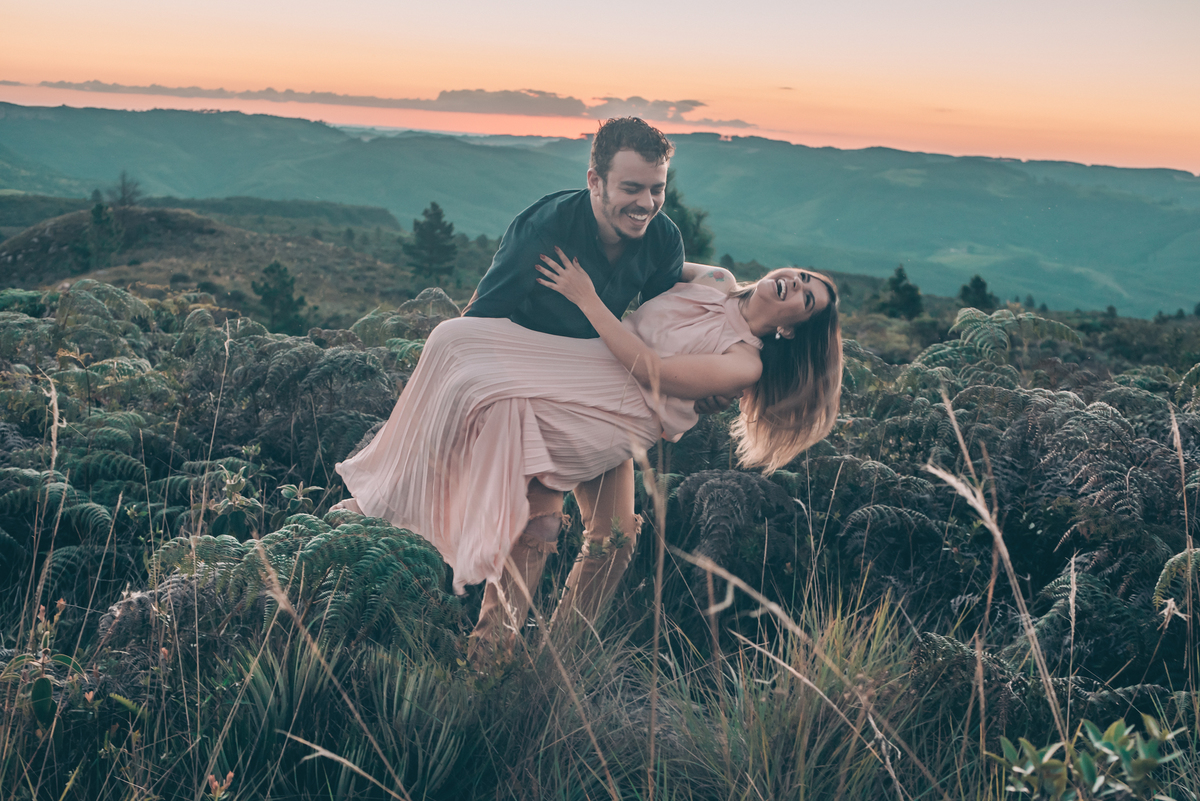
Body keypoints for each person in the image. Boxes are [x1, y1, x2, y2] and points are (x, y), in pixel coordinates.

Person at [334, 252, 843, 661]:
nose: (794, 286)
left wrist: (587, 298)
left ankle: (537, 651)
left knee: (550, 501)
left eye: (805, 298)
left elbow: (650, 371)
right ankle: (496, 646)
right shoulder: (713, 276)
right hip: (585, 371)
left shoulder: (744, 363)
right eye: (800, 277)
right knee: (612, 536)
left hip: (618, 414)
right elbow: (646, 259)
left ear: (792, 329)